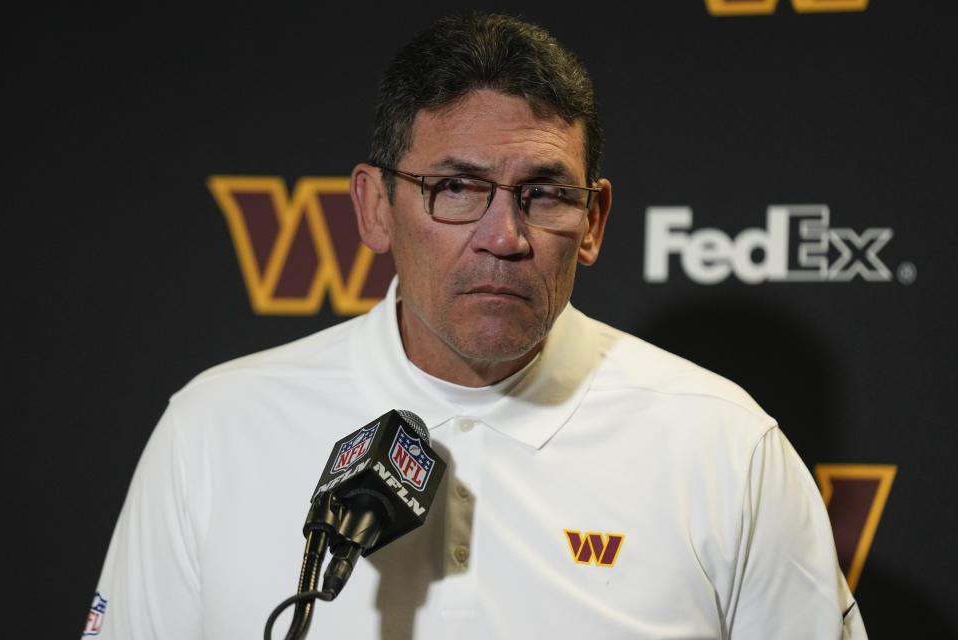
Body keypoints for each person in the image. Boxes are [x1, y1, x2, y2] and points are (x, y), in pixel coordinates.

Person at [86, 12, 866, 640]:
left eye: (544, 193)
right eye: (456, 187)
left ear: (592, 222)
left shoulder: (726, 447)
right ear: (373, 207)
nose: (504, 235)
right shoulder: (214, 429)